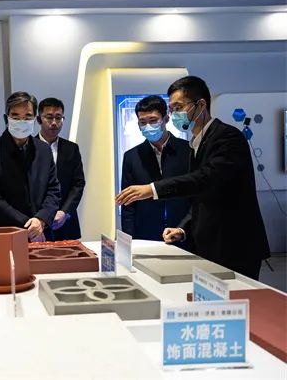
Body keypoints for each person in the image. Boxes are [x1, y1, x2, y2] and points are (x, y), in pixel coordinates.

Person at [115, 76, 270, 279]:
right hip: (206, 243)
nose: (175, 114)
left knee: (238, 298)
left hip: (233, 244)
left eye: (179, 107)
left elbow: (205, 179)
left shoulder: (226, 137)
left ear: (201, 105)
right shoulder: (197, 143)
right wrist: (183, 229)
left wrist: (152, 189)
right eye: (172, 109)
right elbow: (200, 199)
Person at [0, 91, 60, 242]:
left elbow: (53, 190)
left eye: (27, 117)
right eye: (15, 117)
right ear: (6, 119)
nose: (22, 121)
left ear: (35, 119)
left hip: (42, 232)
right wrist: (28, 225)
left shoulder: (43, 150)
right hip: (5, 234)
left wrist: (41, 219)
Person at [120, 95, 191, 245]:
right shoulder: (132, 156)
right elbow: (128, 205)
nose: (148, 126)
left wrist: (184, 228)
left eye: (153, 120)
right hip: (145, 236)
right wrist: (128, 241)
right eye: (142, 122)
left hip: (182, 232)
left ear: (166, 119)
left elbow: (196, 196)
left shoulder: (188, 150)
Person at [35, 97, 85, 240]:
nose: (54, 122)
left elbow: (78, 184)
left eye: (58, 118)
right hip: (37, 221)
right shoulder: (29, 147)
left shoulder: (71, 148)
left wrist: (65, 211)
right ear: (39, 119)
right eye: (49, 117)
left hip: (65, 222)